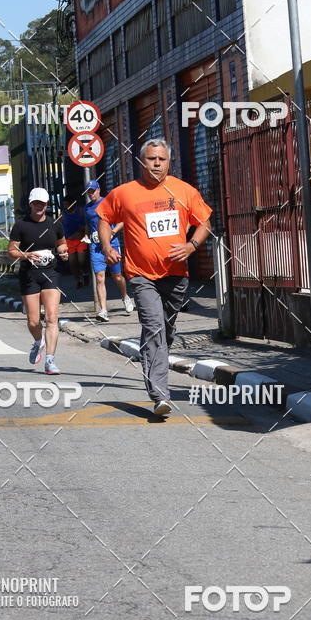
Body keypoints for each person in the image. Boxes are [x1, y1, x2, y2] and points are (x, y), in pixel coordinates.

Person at [97, 138, 212, 416]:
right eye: (151, 159)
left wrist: (191, 245)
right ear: (141, 161)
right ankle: (160, 395)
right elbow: (104, 218)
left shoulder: (184, 191)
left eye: (161, 159)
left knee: (166, 330)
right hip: (141, 275)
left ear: (168, 162)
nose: (156, 164)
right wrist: (106, 246)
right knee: (155, 328)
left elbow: (204, 222)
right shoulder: (125, 193)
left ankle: (154, 357)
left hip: (176, 275)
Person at [8, 188, 68, 375]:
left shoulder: (54, 224)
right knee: (34, 321)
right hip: (29, 275)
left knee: (51, 318)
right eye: (36, 203)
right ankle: (37, 342)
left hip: (51, 273)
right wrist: (26, 255)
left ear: (47, 204)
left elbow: (62, 243)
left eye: (42, 203)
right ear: (31, 204)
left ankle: (50, 361)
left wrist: (64, 252)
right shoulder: (20, 225)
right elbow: (11, 252)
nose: (39, 206)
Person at [84, 179, 134, 322]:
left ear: (99, 189)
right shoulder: (87, 208)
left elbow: (122, 220)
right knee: (100, 278)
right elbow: (88, 225)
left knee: (117, 276)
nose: (91, 194)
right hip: (96, 246)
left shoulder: (108, 202)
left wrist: (112, 232)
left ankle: (125, 296)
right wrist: (87, 235)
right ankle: (103, 311)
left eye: (93, 191)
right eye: (89, 192)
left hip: (111, 245)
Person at [62, 195, 89, 288]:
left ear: (72, 204)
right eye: (64, 204)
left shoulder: (80, 211)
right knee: (72, 263)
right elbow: (59, 227)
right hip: (69, 241)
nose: (65, 206)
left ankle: (85, 274)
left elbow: (86, 224)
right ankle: (78, 280)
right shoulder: (63, 214)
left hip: (81, 239)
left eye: (67, 204)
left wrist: (85, 233)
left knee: (81, 260)